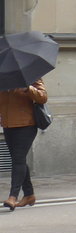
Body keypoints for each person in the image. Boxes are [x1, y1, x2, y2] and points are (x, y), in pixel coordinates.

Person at [0, 79, 48, 210]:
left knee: (18, 159)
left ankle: (13, 196)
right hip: (8, 124)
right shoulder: (4, 77)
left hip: (26, 124)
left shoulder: (30, 76)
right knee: (18, 159)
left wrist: (28, 88)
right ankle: (29, 194)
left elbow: (43, 97)